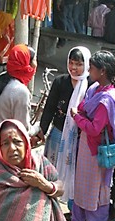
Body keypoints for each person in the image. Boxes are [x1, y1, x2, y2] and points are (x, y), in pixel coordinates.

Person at [69, 50, 115, 221]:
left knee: (94, 194)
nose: (89, 72)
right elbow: (83, 107)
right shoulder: (94, 89)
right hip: (86, 150)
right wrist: (80, 114)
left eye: (92, 68)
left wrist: (77, 117)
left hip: (96, 154)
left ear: (102, 71)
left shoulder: (107, 99)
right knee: (81, 190)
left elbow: (94, 128)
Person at [36, 46, 91, 209]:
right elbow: (50, 108)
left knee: (76, 174)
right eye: (71, 63)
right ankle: (50, 206)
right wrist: (42, 131)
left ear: (87, 64)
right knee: (52, 172)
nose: (74, 68)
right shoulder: (60, 82)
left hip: (81, 139)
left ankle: (74, 210)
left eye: (78, 64)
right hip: (58, 135)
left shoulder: (91, 85)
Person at [0, 44, 38, 140]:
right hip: (6, 143)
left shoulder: (2, 77)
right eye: (34, 60)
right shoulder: (20, 91)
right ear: (27, 64)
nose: (36, 64)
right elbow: (23, 127)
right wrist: (38, 127)